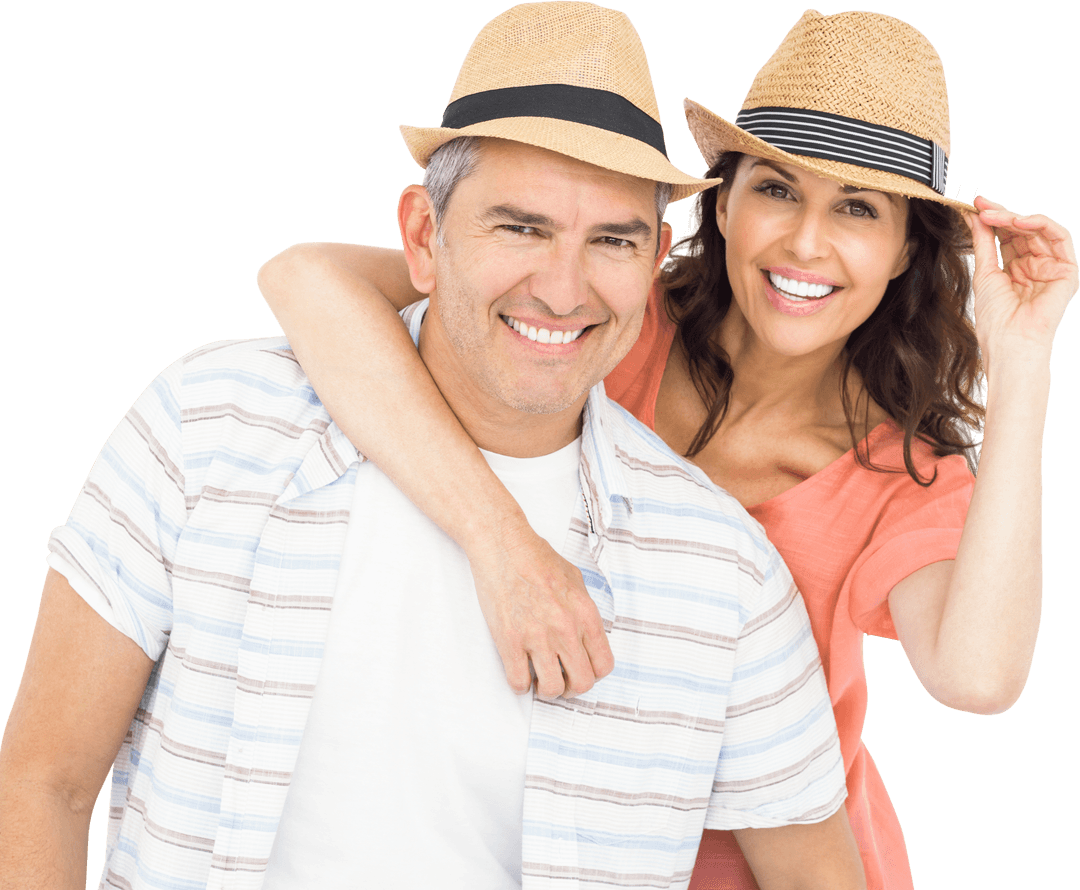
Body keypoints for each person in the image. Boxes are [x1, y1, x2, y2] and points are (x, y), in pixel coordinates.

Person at [0, 4, 870, 889]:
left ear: (655, 264)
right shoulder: (212, 426)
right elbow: (43, 783)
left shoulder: (723, 573)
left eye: (613, 240)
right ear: (423, 236)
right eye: (521, 227)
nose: (562, 289)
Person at [254, 8, 1078, 890]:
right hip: (533, 837)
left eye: (857, 208)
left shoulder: (895, 480)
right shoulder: (596, 325)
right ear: (721, 204)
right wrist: (501, 544)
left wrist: (1023, 361)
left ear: (904, 249)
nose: (805, 241)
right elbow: (305, 277)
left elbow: (977, 681)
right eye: (777, 189)